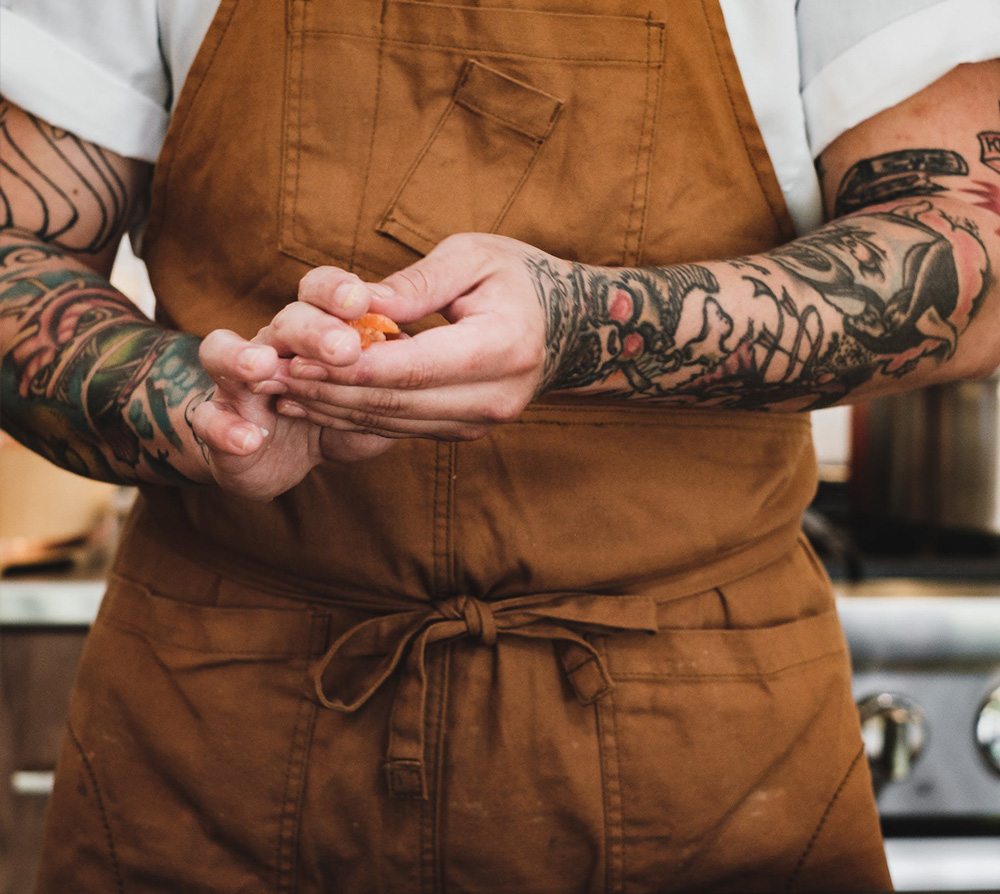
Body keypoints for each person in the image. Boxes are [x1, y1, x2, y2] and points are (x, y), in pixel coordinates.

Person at [1, 0, 999, 890]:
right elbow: (19, 248)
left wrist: (582, 322)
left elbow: (970, 233)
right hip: (220, 725)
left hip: (697, 736)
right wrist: (196, 411)